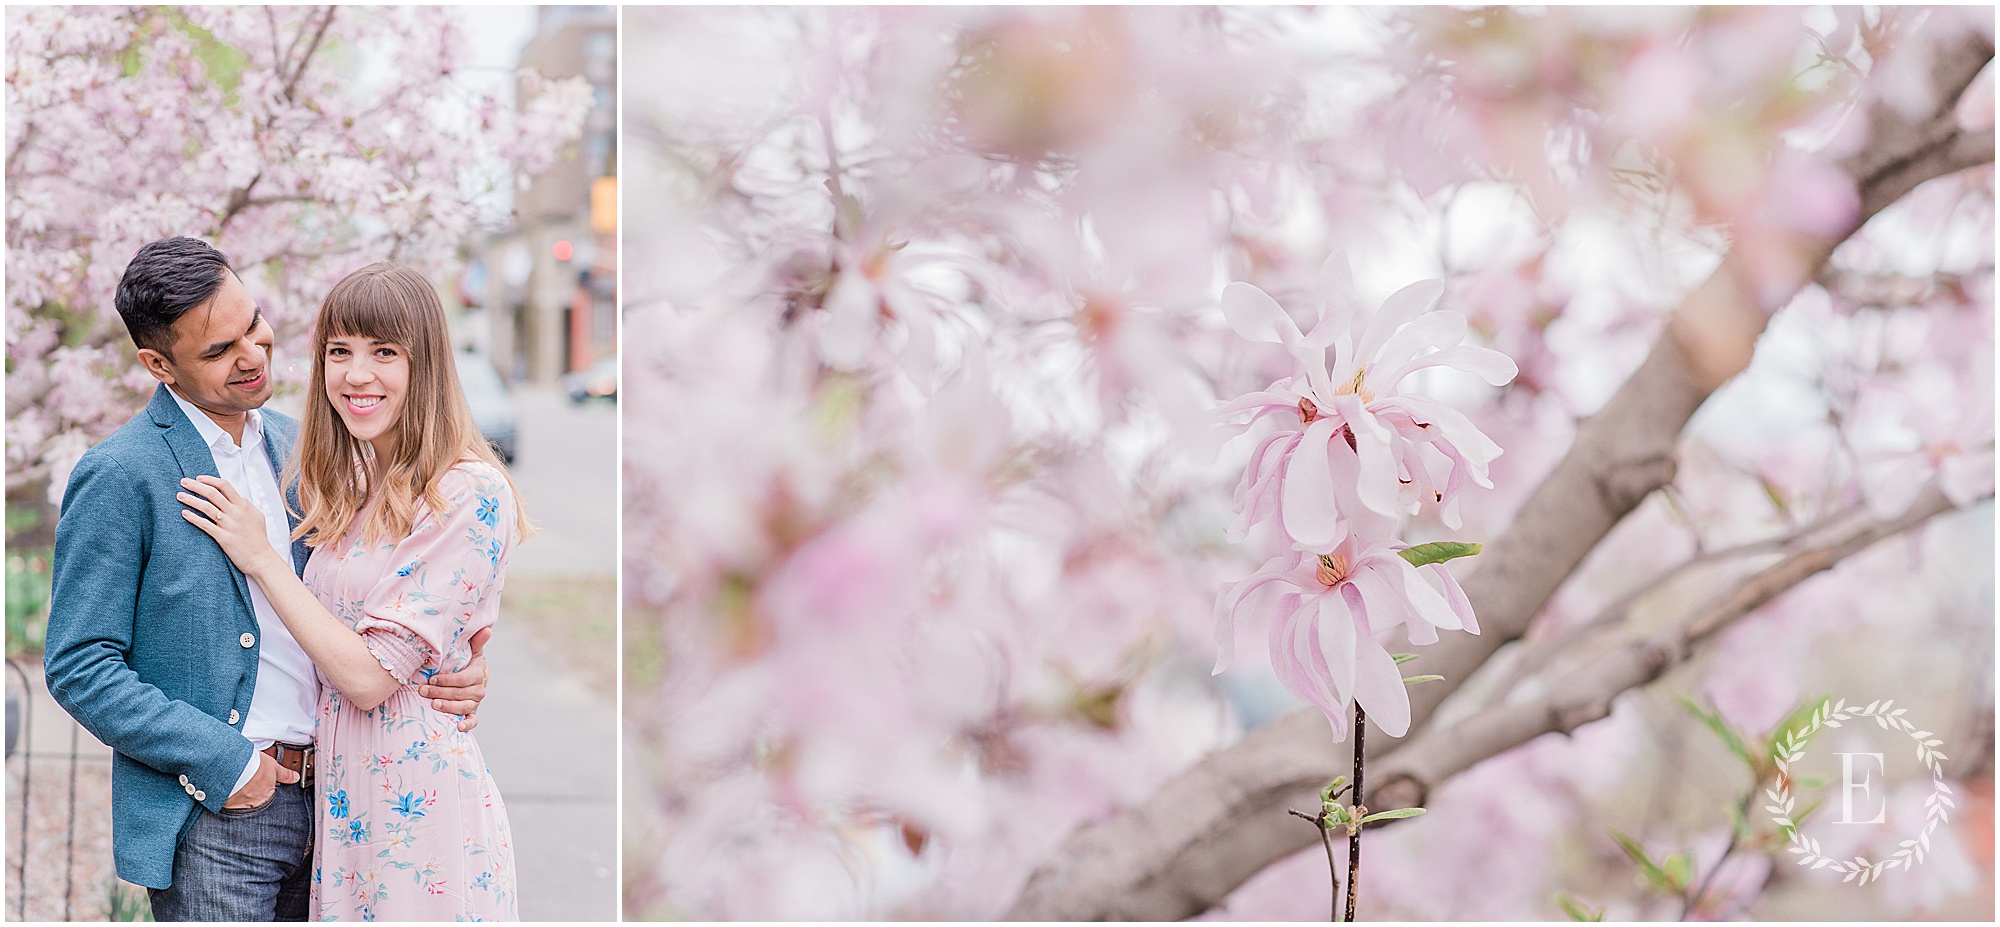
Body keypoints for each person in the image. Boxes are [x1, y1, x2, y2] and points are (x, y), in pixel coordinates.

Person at [43, 237, 493, 921]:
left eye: (252, 324)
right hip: (221, 816)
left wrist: (456, 664)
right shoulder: (122, 473)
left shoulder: (308, 447)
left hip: (345, 807)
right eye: (219, 351)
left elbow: (388, 590)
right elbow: (79, 664)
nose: (252, 356)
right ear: (158, 364)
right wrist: (226, 763)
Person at [176, 262, 527, 921]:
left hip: (415, 813)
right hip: (343, 808)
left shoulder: (468, 491)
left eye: (384, 352)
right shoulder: (356, 486)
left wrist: (261, 556)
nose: (356, 374)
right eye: (340, 351)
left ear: (426, 365)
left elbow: (369, 677)